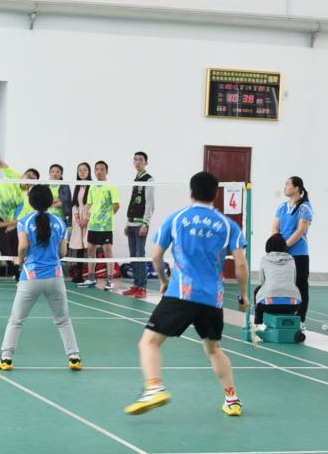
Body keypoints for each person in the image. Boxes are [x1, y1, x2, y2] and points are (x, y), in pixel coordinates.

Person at [125, 171, 250, 416]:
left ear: (191, 192)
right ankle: (232, 399)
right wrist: (244, 295)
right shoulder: (228, 225)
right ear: (215, 194)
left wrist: (164, 281)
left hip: (182, 293)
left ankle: (154, 388)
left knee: (149, 342)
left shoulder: (177, 218)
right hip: (212, 298)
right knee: (213, 349)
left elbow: (156, 256)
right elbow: (241, 263)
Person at [0, 185, 82, 371]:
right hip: (55, 277)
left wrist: (19, 261)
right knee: (63, 320)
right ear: (50, 201)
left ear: (31, 201)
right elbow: (63, 252)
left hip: (31, 277)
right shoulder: (60, 222)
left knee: (16, 320)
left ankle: (6, 359)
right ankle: (74, 358)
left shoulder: (24, 221)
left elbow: (23, 247)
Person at [272, 176, 312, 321]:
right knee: (283, 285)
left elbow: (300, 230)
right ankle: (285, 314)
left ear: (297, 188)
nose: (285, 187)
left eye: (288, 184)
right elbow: (275, 228)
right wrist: (277, 246)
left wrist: (285, 246)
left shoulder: (305, 207)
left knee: (300, 285)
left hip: (299, 253)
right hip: (282, 253)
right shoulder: (282, 207)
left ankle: (301, 318)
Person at [79, 161, 120, 291]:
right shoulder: (92, 186)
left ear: (106, 171)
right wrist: (86, 218)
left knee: (108, 253)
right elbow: (89, 204)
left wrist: (106, 217)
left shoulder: (111, 186)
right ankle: (91, 278)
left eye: (102, 169)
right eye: (97, 169)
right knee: (90, 251)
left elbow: (116, 205)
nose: (99, 171)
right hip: (93, 225)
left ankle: (110, 280)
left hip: (106, 226)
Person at [123, 152, 156, 299]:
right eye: (135, 160)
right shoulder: (136, 179)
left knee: (139, 255)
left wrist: (145, 223)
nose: (138, 162)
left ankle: (142, 287)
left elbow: (150, 204)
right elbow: (133, 202)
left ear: (146, 162)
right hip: (131, 223)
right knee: (133, 255)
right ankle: (136, 285)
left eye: (141, 160)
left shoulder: (149, 179)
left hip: (141, 224)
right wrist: (127, 223)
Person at [253, 233, 301, 327]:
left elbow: (261, 282)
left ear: (268, 245)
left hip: (269, 305)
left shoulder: (264, 259)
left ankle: (258, 323)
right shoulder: (291, 260)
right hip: (292, 306)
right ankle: (291, 324)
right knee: (295, 290)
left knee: (257, 290)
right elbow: (293, 281)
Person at [68, 163, 92, 282]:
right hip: (78, 221)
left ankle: (91, 275)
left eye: (85, 170)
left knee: (90, 247)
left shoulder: (92, 186)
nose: (82, 172)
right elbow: (74, 204)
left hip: (89, 220)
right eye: (80, 170)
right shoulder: (77, 185)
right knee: (79, 247)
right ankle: (79, 274)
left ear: (89, 172)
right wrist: (77, 219)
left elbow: (92, 204)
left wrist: (86, 219)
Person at [48, 164, 73, 232]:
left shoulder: (64, 186)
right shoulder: (45, 186)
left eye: (57, 172)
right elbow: (43, 201)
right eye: (52, 171)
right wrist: (57, 200)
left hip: (61, 218)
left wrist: (50, 202)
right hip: (47, 217)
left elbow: (65, 203)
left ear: (61, 174)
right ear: (49, 173)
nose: (55, 174)